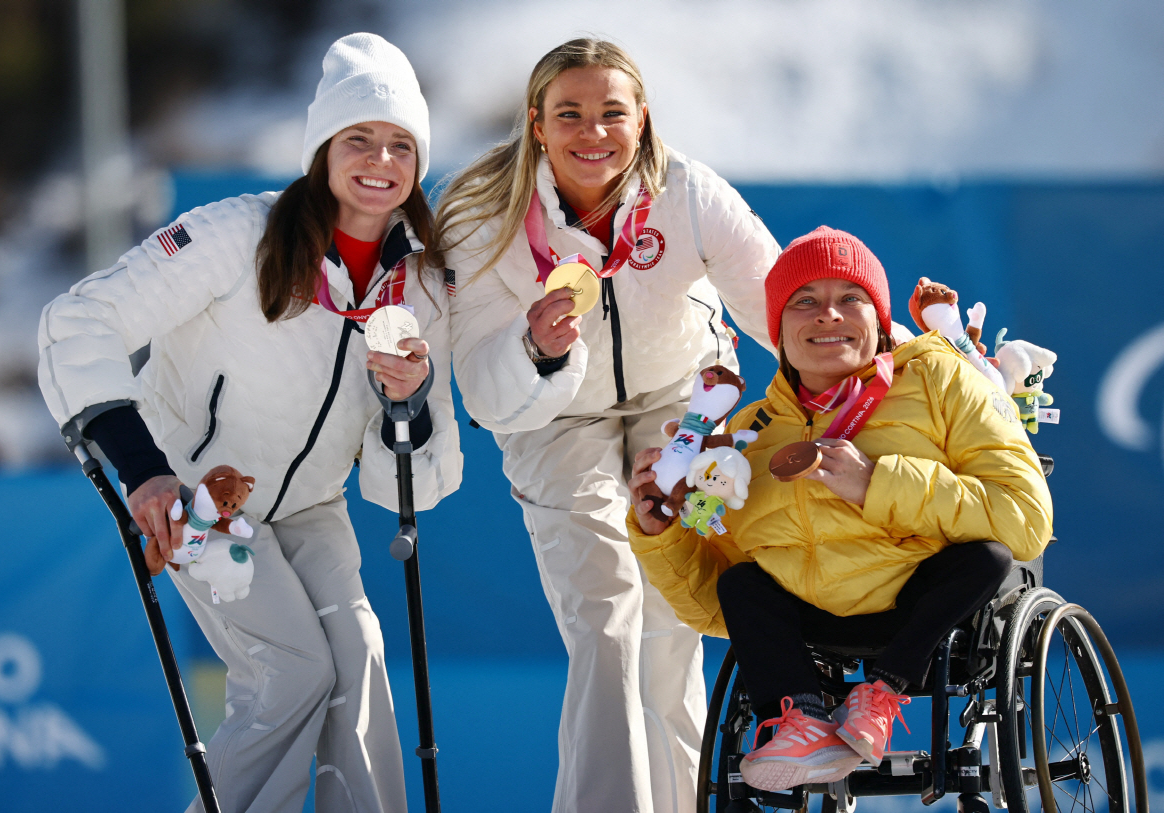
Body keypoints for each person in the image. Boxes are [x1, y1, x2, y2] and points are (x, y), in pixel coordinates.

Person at [37, 33, 461, 813]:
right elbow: (79, 321)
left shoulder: (422, 285)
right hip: (199, 500)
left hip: (311, 506)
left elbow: (406, 481)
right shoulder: (237, 234)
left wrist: (408, 400)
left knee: (359, 658)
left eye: (402, 143)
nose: (381, 159)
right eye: (359, 137)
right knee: (291, 670)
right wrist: (144, 470)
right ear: (322, 149)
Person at [436, 38, 781, 813]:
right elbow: (486, 393)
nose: (592, 132)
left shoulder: (687, 193)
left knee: (670, 626)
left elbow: (782, 304)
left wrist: (893, 363)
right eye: (570, 114)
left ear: (642, 118)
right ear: (536, 124)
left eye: (611, 113)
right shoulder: (483, 214)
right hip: (553, 414)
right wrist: (533, 347)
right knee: (605, 614)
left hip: (677, 405)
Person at [628, 226, 1053, 791]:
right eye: (804, 301)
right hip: (812, 623)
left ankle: (882, 693)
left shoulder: (942, 380)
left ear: (879, 319)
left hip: (926, 608)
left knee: (989, 557)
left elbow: (1025, 517)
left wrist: (878, 482)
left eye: (850, 297)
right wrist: (662, 530)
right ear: (779, 331)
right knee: (742, 586)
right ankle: (801, 720)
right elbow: (714, 605)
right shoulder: (749, 434)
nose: (828, 314)